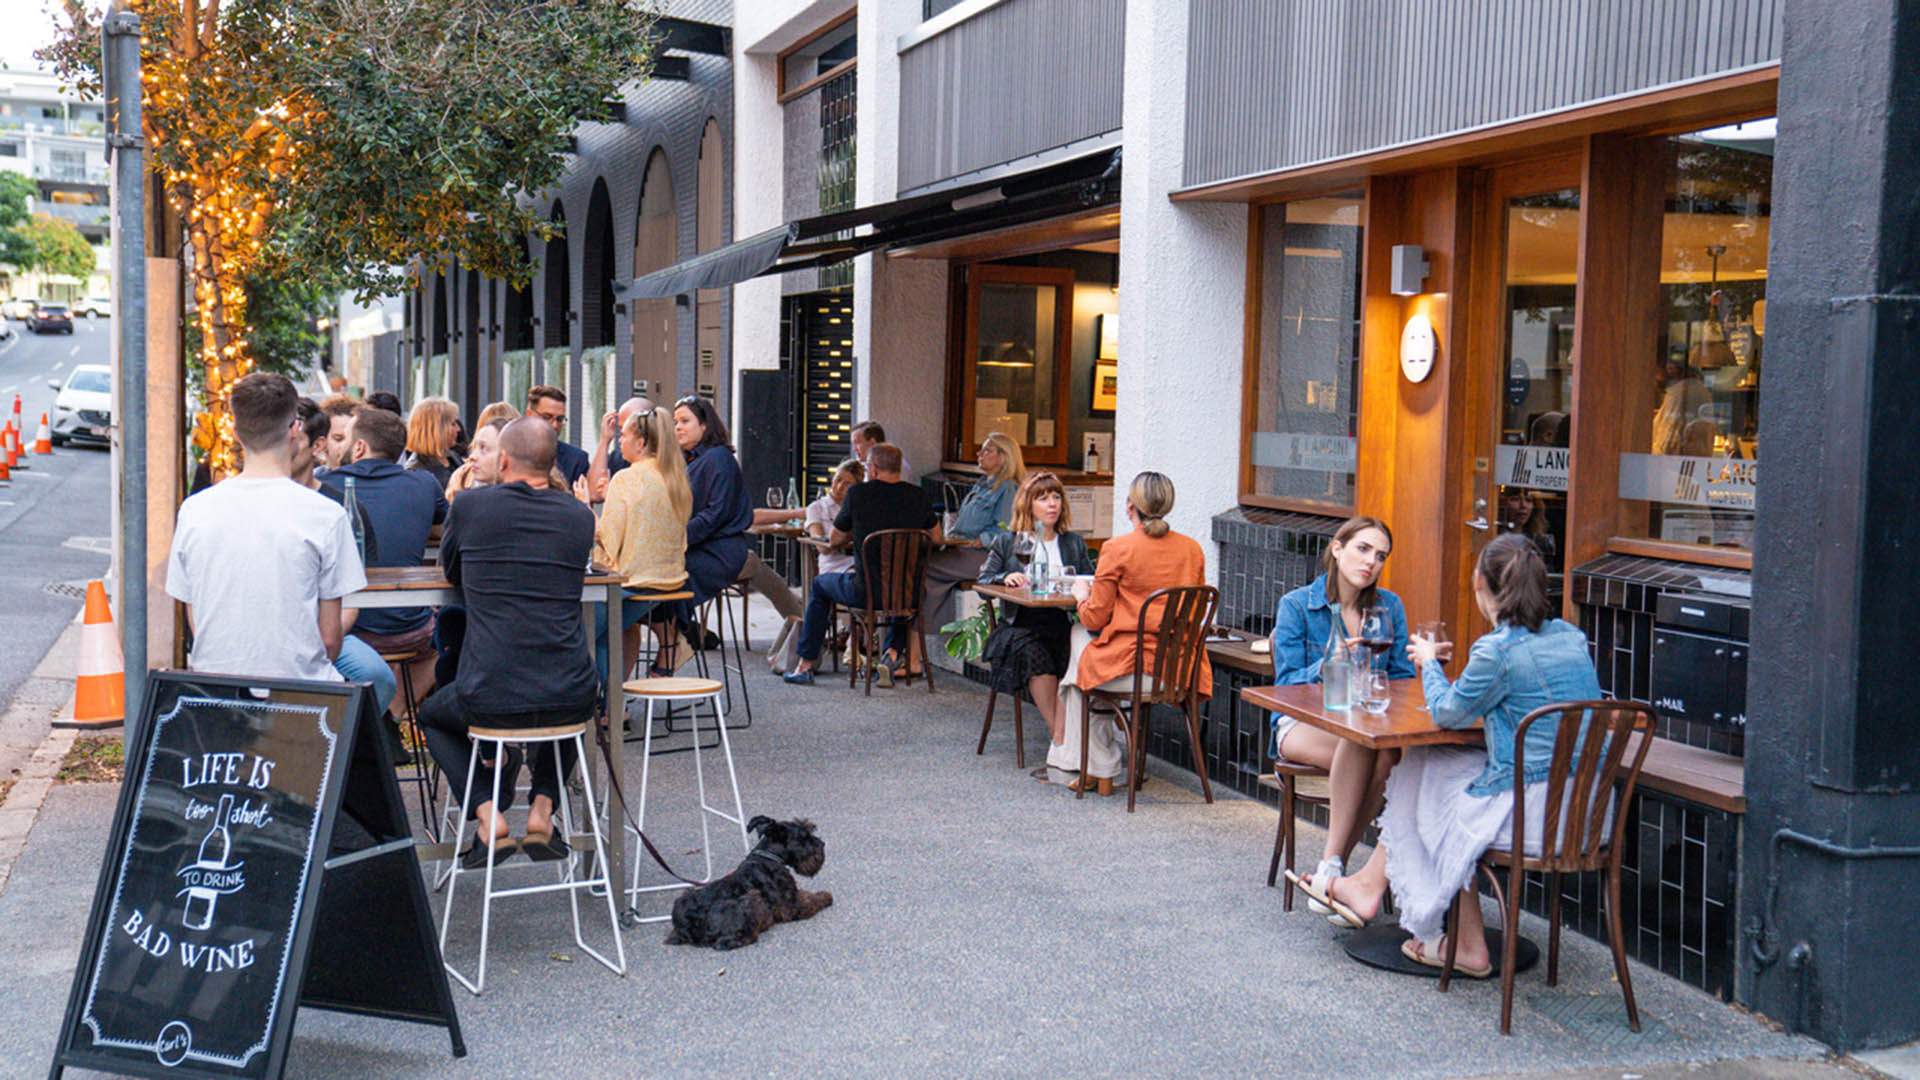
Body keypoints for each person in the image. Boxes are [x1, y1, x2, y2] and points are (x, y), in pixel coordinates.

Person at [1320, 534, 1603, 977]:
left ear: (1480, 585)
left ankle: (1458, 940)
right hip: (1587, 809)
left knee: (1430, 787)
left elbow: (1449, 713)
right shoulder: (1571, 637)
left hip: (1537, 816)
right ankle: (1372, 888)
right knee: (1424, 766)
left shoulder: (1498, 650)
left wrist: (1429, 663)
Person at [418, 417, 602, 866]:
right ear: (552, 462)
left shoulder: (471, 507)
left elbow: (453, 572)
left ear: (503, 460)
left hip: (490, 692)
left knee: (432, 716)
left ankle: (487, 814)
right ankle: (542, 812)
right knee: (566, 705)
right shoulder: (580, 516)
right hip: (571, 690)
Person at [165, 373, 367, 689]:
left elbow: (197, 620)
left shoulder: (195, 510)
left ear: (235, 431)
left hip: (215, 692)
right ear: (295, 429)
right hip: (300, 695)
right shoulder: (326, 515)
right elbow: (329, 640)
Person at [1268, 515, 1414, 911]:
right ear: (1337, 548)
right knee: (1369, 747)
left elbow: (1402, 675)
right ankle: (1340, 874)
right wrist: (1331, 663)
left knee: (1384, 752)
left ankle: (1332, 869)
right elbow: (1284, 685)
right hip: (1301, 723)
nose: (1371, 562)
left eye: (1381, 556)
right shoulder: (1298, 605)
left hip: (1364, 724)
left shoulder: (1389, 607)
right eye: (1363, 549)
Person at [1050, 471, 1211, 795]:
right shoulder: (1191, 549)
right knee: (1081, 670)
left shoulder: (1118, 548)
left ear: (1129, 507)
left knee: (1080, 648)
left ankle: (1102, 770)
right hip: (1176, 669)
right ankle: (1099, 771)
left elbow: (1095, 618)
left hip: (1128, 666)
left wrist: (1082, 594)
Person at [291, 398, 407, 756]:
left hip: (332, 633)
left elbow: (352, 595)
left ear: (317, 446)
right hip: (278, 633)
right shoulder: (262, 502)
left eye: (293, 441)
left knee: (378, 677)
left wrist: (324, 639)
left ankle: (337, 755)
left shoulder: (339, 505)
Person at [320, 405, 448, 712]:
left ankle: (377, 719)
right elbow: (444, 529)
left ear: (360, 447)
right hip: (408, 631)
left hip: (349, 631)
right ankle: (396, 714)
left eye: (345, 439)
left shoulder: (324, 488)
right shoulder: (424, 484)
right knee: (440, 640)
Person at [783, 443, 937, 686]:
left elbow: (834, 539)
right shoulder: (918, 495)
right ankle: (892, 654)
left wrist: (855, 534)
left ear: (873, 469)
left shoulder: (859, 494)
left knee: (820, 585)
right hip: (909, 593)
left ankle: (806, 663)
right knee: (899, 591)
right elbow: (935, 537)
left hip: (863, 591)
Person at [978, 472, 1095, 759]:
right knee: (1035, 655)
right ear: (1028, 505)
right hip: (1019, 625)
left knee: (1071, 654)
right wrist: (1007, 576)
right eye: (1043, 498)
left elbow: (1088, 578)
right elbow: (983, 583)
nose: (1052, 504)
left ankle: (1065, 744)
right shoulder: (1009, 542)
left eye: (1056, 497)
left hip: (1060, 621)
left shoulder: (1072, 543)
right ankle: (1061, 739)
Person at [582, 406, 691, 679]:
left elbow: (608, 538)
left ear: (641, 443)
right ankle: (609, 707)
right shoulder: (675, 479)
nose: (620, 441)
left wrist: (585, 508)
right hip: (669, 582)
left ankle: (602, 705)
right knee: (606, 636)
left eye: (624, 435)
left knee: (577, 634)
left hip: (630, 582)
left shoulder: (626, 478)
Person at [922, 432, 1027, 643]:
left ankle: (922, 638)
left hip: (985, 557)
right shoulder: (983, 484)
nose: (979, 453)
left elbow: (1009, 531)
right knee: (923, 566)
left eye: (987, 450)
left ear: (1003, 457)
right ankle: (923, 636)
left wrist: (982, 539)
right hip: (964, 549)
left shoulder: (1007, 488)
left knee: (924, 567)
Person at [674, 395, 753, 625]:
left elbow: (715, 514)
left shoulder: (718, 458)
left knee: (666, 580)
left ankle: (678, 638)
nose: (677, 427)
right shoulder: (688, 460)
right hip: (696, 545)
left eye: (685, 421)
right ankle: (679, 635)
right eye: (675, 421)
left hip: (718, 551)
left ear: (704, 425)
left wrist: (677, 539)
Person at [527, 384, 592, 486]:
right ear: (529, 414)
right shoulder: (511, 453)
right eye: (547, 417)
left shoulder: (576, 460)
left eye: (559, 419)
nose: (554, 425)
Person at [588, 395, 653, 496]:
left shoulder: (663, 463)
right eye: (621, 430)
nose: (620, 439)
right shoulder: (619, 458)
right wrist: (604, 440)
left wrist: (612, 495)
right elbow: (594, 493)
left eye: (626, 431)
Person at [402, 396, 461, 488]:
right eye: (453, 424)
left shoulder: (453, 458)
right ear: (435, 429)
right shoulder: (415, 472)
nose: (458, 429)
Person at [446, 416, 507, 502]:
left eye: (483, 448)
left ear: (505, 456)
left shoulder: (525, 502)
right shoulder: (462, 479)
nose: (472, 456)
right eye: (475, 447)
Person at [317, 394, 362, 470]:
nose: (346, 446)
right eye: (338, 439)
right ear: (322, 442)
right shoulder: (311, 479)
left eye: (353, 440)